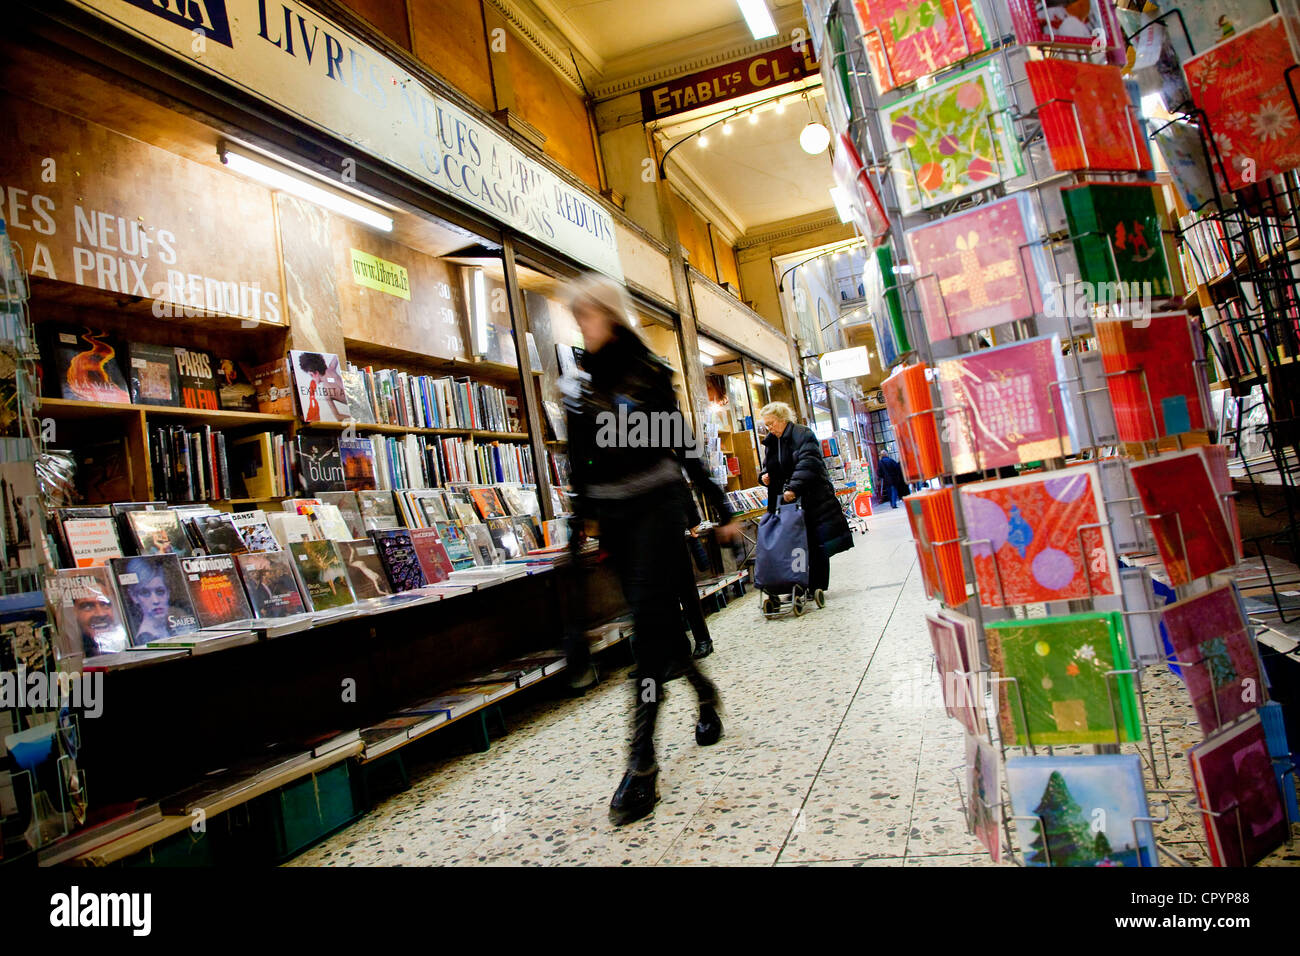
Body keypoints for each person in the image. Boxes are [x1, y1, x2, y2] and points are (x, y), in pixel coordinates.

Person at [564, 272, 740, 826]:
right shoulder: (581, 387)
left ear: (610, 315)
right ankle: (705, 692)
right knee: (655, 625)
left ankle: (642, 765)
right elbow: (580, 466)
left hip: (659, 513)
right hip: (618, 522)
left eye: (587, 315)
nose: (581, 326)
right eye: (577, 318)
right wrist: (578, 529)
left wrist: (721, 507)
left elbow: (683, 445)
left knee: (647, 632)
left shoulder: (648, 374)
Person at [759, 402, 853, 596]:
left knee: (814, 542)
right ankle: (799, 583)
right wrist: (763, 476)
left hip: (811, 499)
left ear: (783, 419)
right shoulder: (771, 442)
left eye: (772, 423)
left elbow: (809, 463)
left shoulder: (803, 435)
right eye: (766, 425)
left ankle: (816, 585)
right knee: (794, 544)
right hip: (785, 503)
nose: (770, 428)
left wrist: (794, 487)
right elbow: (768, 466)